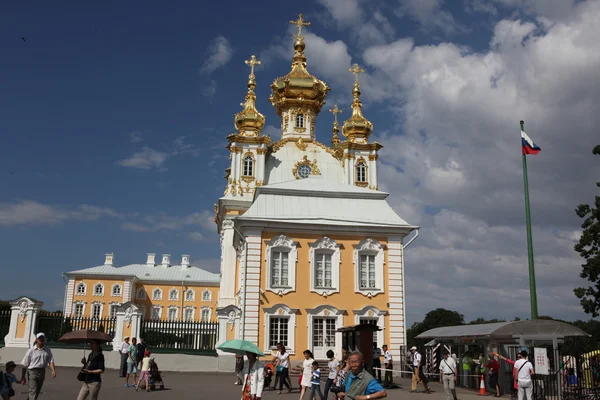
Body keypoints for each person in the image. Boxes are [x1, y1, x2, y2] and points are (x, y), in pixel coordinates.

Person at [20, 332, 56, 400]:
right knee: (33, 391)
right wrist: (23, 376)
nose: (41, 339)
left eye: (43, 338)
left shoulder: (47, 349)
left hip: (42, 372)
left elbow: (51, 360)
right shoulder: (31, 350)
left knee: (36, 392)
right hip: (32, 372)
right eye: (40, 338)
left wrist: (53, 370)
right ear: (36, 339)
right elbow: (25, 364)